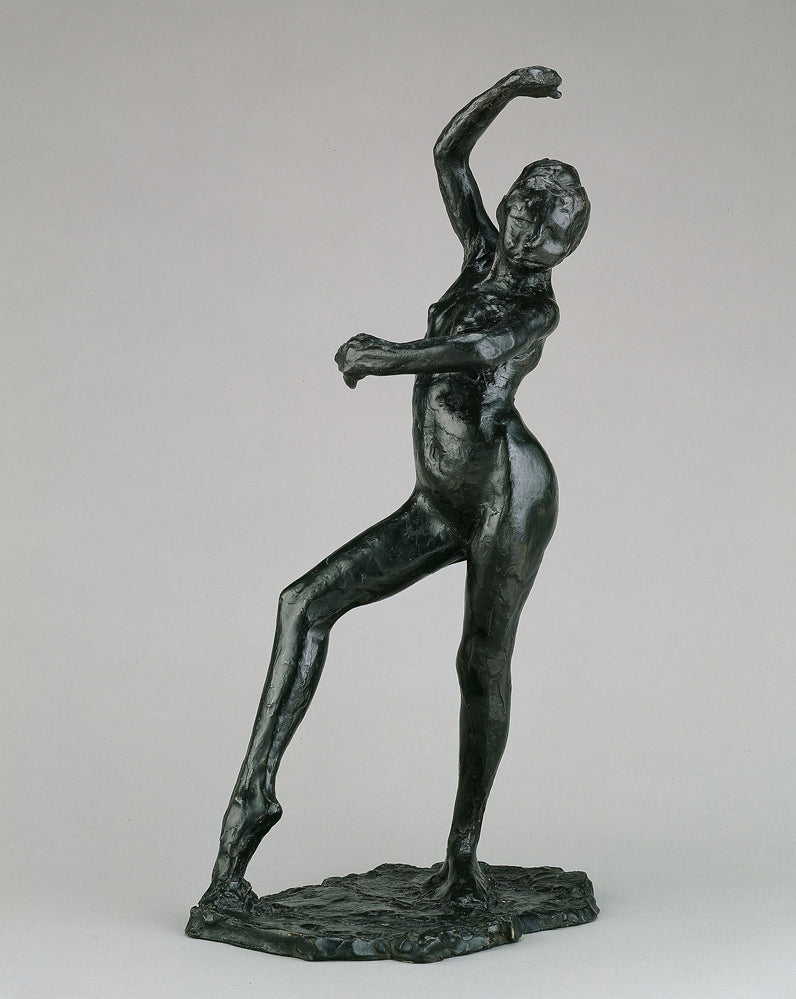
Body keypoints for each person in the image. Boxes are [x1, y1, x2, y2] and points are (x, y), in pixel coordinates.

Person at [201, 66, 590, 910]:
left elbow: (478, 352)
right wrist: (510, 89)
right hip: (436, 500)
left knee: (480, 662)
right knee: (304, 602)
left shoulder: (537, 309)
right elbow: (449, 154)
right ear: (509, 204)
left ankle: (463, 854)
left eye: (550, 230)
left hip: (509, 495)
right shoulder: (481, 254)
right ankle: (253, 798)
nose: (528, 231)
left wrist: (388, 357)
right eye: (524, 206)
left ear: (566, 250)